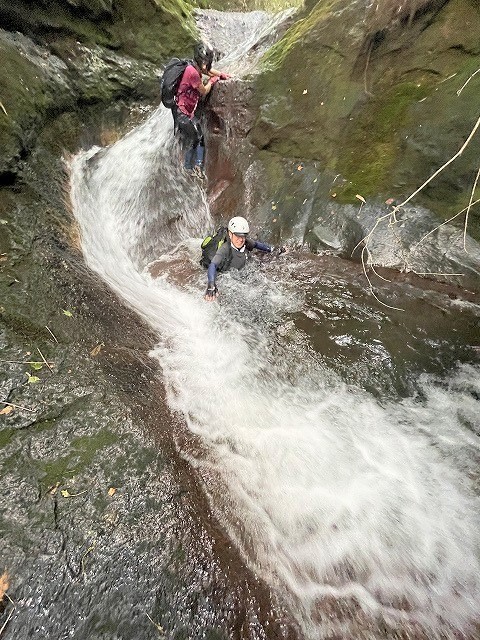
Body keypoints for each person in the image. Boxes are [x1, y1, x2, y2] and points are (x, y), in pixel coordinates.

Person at [174, 42, 230, 179]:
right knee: (196, 138)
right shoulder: (192, 73)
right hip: (182, 113)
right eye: (205, 62)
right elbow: (204, 91)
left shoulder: (194, 66)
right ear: (201, 61)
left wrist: (222, 75)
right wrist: (212, 81)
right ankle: (188, 167)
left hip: (187, 111)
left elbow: (207, 71)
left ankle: (198, 165)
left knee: (200, 137)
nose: (206, 65)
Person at [205, 216, 281, 302]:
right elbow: (213, 264)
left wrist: (273, 250)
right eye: (237, 236)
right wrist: (211, 284)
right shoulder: (225, 249)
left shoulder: (246, 242)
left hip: (243, 272)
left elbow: (256, 244)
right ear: (230, 234)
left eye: (243, 236)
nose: (240, 240)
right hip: (228, 276)